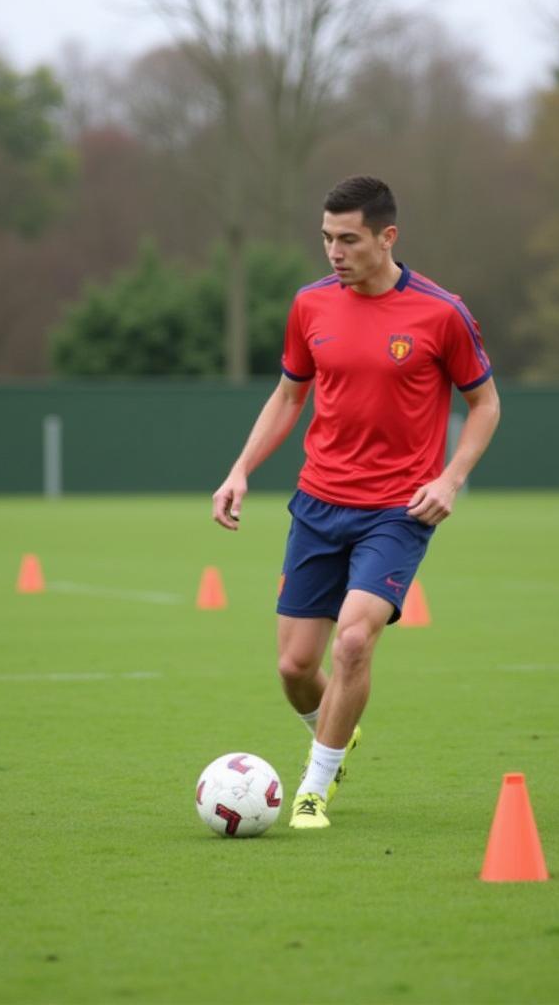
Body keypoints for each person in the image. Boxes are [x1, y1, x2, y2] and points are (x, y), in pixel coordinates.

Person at [211, 175, 501, 830]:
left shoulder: (440, 312)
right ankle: (334, 731)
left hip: (398, 512)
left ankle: (316, 786)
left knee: (354, 643)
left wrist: (450, 478)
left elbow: (485, 404)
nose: (334, 252)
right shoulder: (310, 305)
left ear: (386, 237)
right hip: (317, 504)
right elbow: (289, 395)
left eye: (348, 239)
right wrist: (241, 469)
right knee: (294, 667)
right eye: (326, 239)